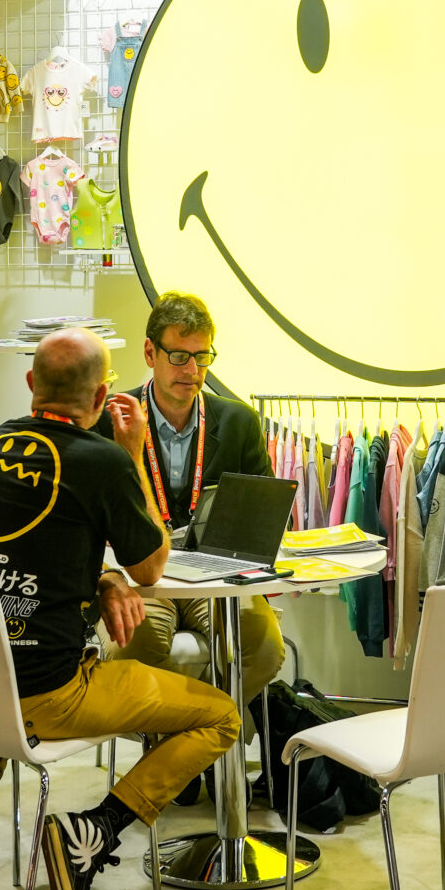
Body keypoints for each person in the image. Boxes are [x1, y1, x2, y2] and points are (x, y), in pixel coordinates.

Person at [0, 329, 240, 890]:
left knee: (12, 667)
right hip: (52, 695)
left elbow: (24, 554)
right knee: (221, 716)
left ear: (30, 384)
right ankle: (94, 831)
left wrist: (100, 578)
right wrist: (133, 453)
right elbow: (151, 566)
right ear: (101, 396)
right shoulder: (102, 461)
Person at [97, 291, 286, 699]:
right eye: (180, 356)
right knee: (132, 651)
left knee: (265, 649)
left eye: (202, 357)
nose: (193, 370)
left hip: (215, 576)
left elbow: (263, 514)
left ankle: (198, 730)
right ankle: (196, 730)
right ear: (150, 353)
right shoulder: (109, 421)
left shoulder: (238, 422)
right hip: (137, 575)